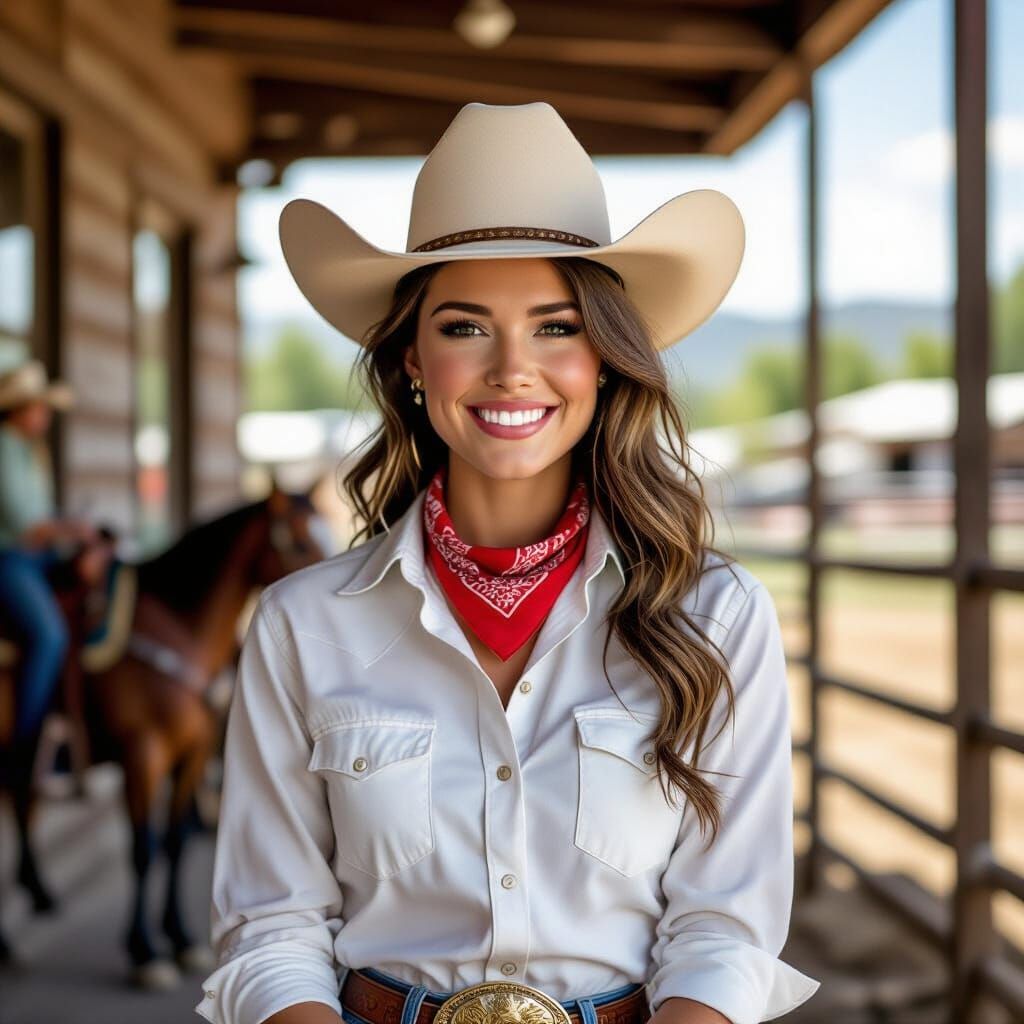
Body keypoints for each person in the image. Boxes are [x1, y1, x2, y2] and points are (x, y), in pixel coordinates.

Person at [196, 102, 822, 1024]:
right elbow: (271, 927)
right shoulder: (303, 622)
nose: (512, 368)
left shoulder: (716, 617)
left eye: (557, 326)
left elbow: (724, 929)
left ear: (605, 359)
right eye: (464, 327)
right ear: (412, 358)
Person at [0, 360, 98, 787]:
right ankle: (25, 742)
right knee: (50, 634)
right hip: (11, 560)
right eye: (38, 406)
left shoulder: (27, 451)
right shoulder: (4, 447)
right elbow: (27, 526)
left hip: (35, 557)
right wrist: (72, 528)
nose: (44, 415)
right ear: (21, 409)